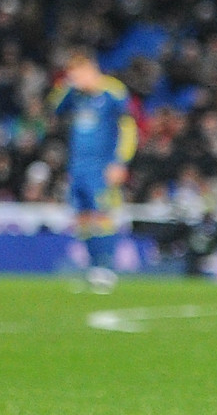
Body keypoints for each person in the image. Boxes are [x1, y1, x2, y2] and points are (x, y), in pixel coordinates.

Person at [47, 49, 136, 294]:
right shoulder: (75, 95)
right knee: (82, 218)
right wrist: (66, 85)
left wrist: (120, 162)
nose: (75, 78)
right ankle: (94, 269)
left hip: (102, 166)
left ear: (91, 69)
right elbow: (54, 110)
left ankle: (105, 269)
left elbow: (128, 127)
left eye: (77, 73)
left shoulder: (112, 92)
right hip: (78, 166)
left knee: (102, 216)